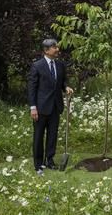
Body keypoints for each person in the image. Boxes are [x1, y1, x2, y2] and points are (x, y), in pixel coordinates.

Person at [28, 38, 73, 174]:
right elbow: (32, 88)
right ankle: (38, 164)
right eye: (54, 47)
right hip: (40, 108)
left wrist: (66, 87)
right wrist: (33, 107)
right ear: (46, 50)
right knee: (39, 136)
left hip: (56, 106)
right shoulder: (37, 66)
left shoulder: (60, 65)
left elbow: (62, 81)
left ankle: (50, 161)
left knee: (52, 135)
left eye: (57, 47)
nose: (57, 49)